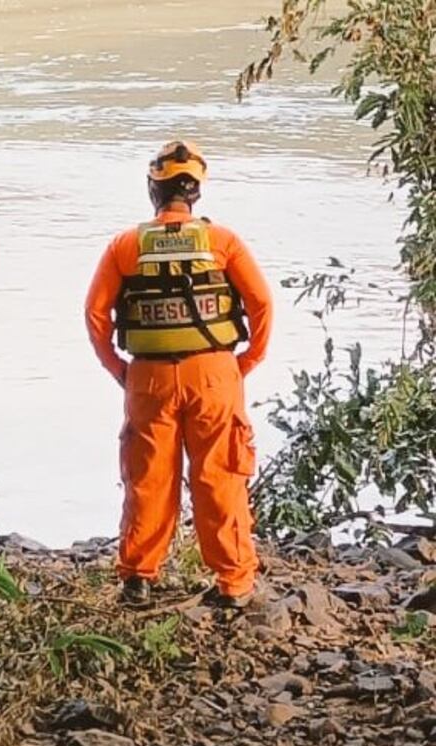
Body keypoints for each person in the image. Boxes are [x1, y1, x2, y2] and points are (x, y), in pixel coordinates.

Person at [84, 141, 273, 608]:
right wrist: (244, 363)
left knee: (148, 478)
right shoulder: (222, 242)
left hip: (147, 378)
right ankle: (233, 584)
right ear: (196, 195)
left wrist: (118, 370)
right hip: (215, 375)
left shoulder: (126, 246)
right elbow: (262, 304)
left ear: (154, 189)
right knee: (220, 476)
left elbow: (95, 314)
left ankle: (138, 578)